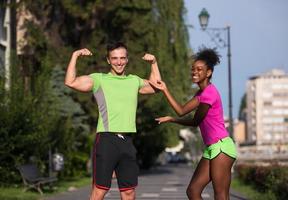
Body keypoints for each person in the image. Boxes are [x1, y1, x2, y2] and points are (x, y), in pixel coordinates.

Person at [64, 42, 161, 200]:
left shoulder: (134, 81)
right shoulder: (99, 80)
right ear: (108, 60)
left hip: (127, 141)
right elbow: (70, 82)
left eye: (122, 58)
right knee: (100, 190)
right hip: (106, 140)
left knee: (129, 192)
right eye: (115, 58)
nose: (119, 62)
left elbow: (157, 87)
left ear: (127, 59)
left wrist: (154, 64)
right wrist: (75, 56)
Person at [150, 48, 237, 200]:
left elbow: (195, 121)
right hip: (212, 148)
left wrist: (173, 120)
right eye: (193, 69)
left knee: (221, 195)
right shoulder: (200, 94)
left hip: (222, 147)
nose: (194, 72)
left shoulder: (209, 94)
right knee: (193, 191)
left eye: (199, 69)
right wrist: (165, 89)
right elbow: (181, 110)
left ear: (208, 73)